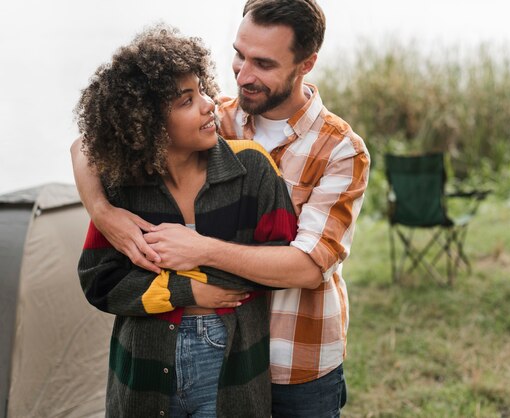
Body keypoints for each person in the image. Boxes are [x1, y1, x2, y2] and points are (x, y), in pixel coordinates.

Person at [71, 1, 370, 416]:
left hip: (293, 358)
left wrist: (199, 249)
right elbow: (89, 144)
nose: (243, 75)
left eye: (263, 63)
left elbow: (307, 266)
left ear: (306, 64)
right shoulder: (218, 119)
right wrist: (104, 212)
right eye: (239, 54)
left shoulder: (340, 149)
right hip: (204, 349)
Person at [74, 24, 297, 418]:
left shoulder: (253, 170)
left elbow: (278, 263)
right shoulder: (121, 189)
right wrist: (185, 292)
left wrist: (200, 260)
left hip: (233, 371)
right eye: (186, 100)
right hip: (141, 371)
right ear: (147, 125)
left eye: (203, 90)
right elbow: (99, 280)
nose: (209, 104)